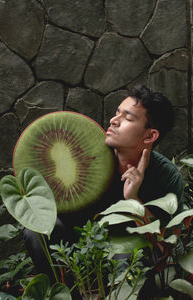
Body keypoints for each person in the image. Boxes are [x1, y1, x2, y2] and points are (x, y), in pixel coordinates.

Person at [24, 85, 184, 287]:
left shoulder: (166, 176)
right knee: (36, 231)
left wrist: (134, 199)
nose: (113, 121)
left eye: (127, 118)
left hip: (129, 257)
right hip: (79, 248)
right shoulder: (88, 156)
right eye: (117, 113)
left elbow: (166, 247)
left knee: (125, 256)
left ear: (150, 136)